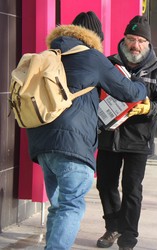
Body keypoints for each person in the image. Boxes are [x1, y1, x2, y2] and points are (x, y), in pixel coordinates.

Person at [25, 11, 147, 250]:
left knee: (59, 206)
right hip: (73, 145)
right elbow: (129, 92)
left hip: (43, 146)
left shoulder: (51, 54)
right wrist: (142, 86)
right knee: (71, 207)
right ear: (95, 37)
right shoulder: (92, 57)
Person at [95, 15, 157, 250]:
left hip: (138, 139)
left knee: (132, 189)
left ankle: (128, 238)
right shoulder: (108, 64)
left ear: (148, 44)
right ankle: (113, 227)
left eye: (141, 40)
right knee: (105, 185)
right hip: (108, 136)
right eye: (131, 39)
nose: (135, 45)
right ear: (124, 40)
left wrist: (151, 108)